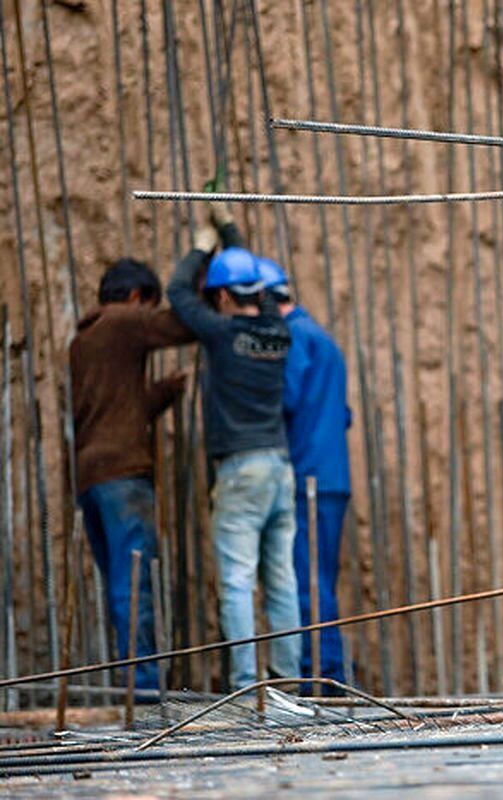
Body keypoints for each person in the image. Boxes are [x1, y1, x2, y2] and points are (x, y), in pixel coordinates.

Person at [166, 202, 301, 690]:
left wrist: (204, 244)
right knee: (281, 579)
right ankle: (286, 679)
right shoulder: (278, 331)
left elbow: (178, 293)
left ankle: (246, 684)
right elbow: (256, 287)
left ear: (221, 295)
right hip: (279, 467)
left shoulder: (223, 335)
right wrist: (229, 230)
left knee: (238, 580)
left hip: (241, 470)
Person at [70, 259, 193, 691]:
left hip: (90, 475)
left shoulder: (84, 338)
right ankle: (141, 684)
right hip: (123, 474)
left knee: (118, 581)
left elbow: (119, 409)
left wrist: (166, 391)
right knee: (134, 581)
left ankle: (133, 679)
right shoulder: (123, 321)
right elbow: (182, 326)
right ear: (138, 297)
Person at [256, 257, 352, 686]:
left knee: (307, 581)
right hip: (332, 475)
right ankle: (325, 672)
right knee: (320, 577)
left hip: (307, 477)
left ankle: (322, 677)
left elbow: (286, 398)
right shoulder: (324, 339)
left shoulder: (293, 338)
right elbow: (342, 414)